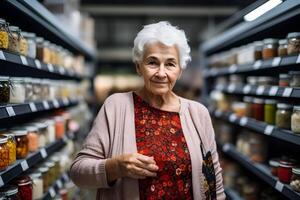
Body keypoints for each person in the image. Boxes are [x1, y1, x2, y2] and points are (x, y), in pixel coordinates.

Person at [70, 21, 225, 200]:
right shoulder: (116, 106)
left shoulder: (198, 113)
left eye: (170, 64)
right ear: (138, 66)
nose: (161, 73)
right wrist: (116, 167)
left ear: (180, 70)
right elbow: (78, 172)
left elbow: (214, 179)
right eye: (152, 62)